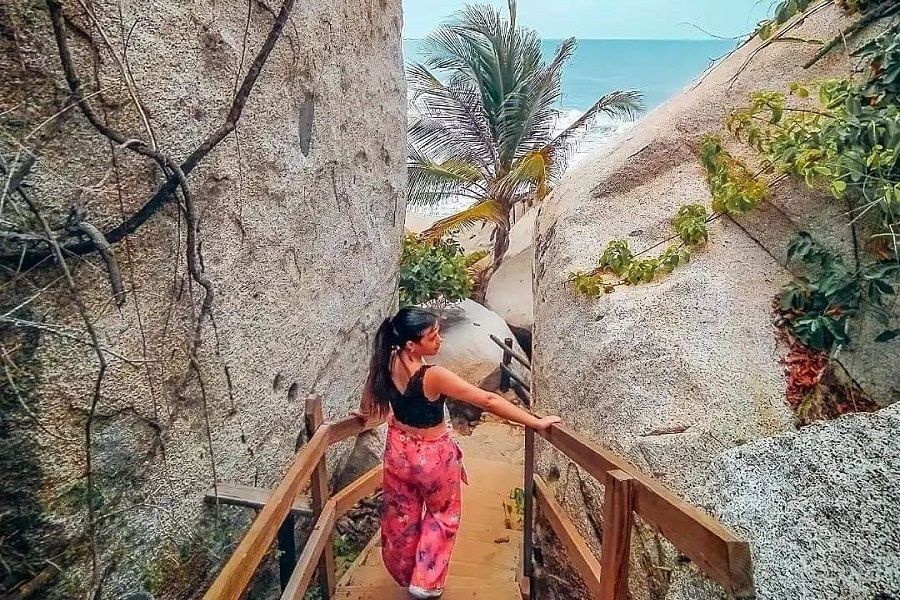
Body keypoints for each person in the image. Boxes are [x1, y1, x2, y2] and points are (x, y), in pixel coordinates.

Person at [354, 306, 562, 599]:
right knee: (442, 515)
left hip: (398, 450)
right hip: (432, 457)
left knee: (401, 512)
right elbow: (488, 400)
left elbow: (370, 395)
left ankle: (404, 570)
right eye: (432, 336)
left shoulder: (388, 360)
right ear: (412, 344)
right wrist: (535, 422)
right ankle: (425, 581)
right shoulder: (432, 376)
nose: (439, 341)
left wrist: (364, 415)